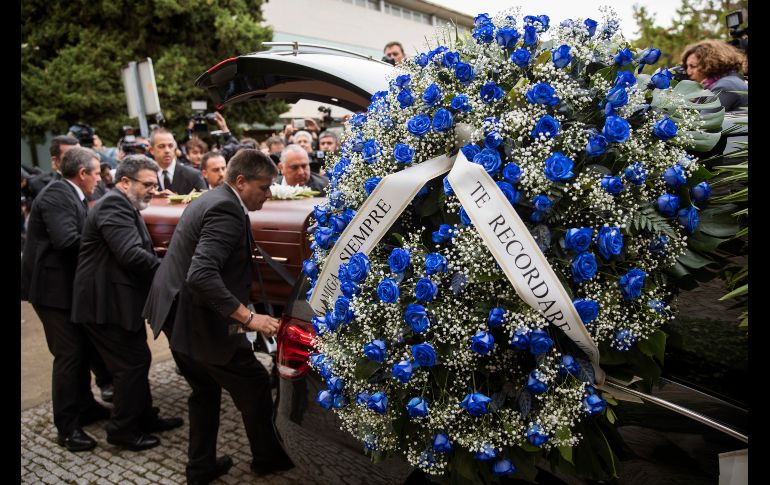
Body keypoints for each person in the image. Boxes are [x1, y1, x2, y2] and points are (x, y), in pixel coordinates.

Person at [143, 149, 293, 484]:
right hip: (199, 320)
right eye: (264, 187)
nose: (269, 194)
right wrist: (248, 318)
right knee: (254, 383)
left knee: (205, 389)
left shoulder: (213, 197)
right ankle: (267, 458)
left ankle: (200, 467)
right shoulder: (226, 209)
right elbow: (201, 275)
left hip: (177, 314)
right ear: (241, 182)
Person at [71, 155, 183, 451]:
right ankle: (122, 429)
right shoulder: (114, 205)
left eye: (154, 185)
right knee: (130, 365)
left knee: (137, 360)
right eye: (147, 185)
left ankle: (144, 417)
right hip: (104, 304)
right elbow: (130, 254)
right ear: (124, 182)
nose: (152, 191)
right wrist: (170, 272)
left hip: (115, 301)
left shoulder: (123, 203)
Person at [21, 146, 110, 452]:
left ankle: (85, 406)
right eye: (96, 173)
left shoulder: (70, 192)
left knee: (81, 350)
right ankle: (67, 427)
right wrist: (107, 244)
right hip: (51, 291)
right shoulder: (58, 195)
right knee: (69, 355)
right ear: (82, 173)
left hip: (65, 288)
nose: (100, 179)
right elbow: (68, 241)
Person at [681, 39, 748, 112]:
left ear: (709, 64)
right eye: (686, 67)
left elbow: (703, 118)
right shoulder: (731, 80)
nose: (688, 72)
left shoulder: (725, 86)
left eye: (693, 66)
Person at [148, 128, 206, 195]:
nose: (167, 150)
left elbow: (206, 200)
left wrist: (177, 199)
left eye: (170, 146)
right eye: (161, 146)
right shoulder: (146, 177)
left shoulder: (193, 175)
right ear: (152, 150)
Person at [27, 135, 79, 200]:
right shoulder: (54, 192)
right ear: (56, 161)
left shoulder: (86, 181)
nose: (78, 159)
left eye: (81, 154)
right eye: (71, 156)